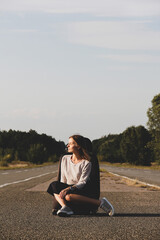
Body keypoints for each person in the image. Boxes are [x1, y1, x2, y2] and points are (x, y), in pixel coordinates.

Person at [47, 134, 114, 217]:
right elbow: (63, 179)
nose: (67, 145)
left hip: (80, 189)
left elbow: (82, 182)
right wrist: (62, 191)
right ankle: (65, 207)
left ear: (78, 146)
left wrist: (68, 189)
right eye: (68, 143)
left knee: (69, 197)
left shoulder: (87, 163)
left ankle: (100, 202)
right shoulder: (64, 159)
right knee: (54, 185)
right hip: (68, 187)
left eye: (71, 143)